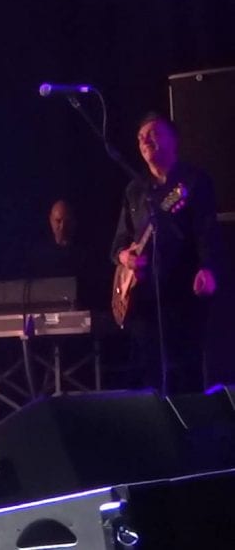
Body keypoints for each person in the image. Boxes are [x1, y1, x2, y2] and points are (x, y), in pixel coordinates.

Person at [111, 112, 220, 395]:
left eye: (153, 134)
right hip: (143, 300)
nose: (145, 141)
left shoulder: (193, 182)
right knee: (150, 378)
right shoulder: (135, 190)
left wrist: (207, 267)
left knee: (188, 374)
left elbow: (207, 231)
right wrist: (125, 257)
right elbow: (119, 242)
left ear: (174, 140)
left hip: (182, 293)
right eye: (140, 138)